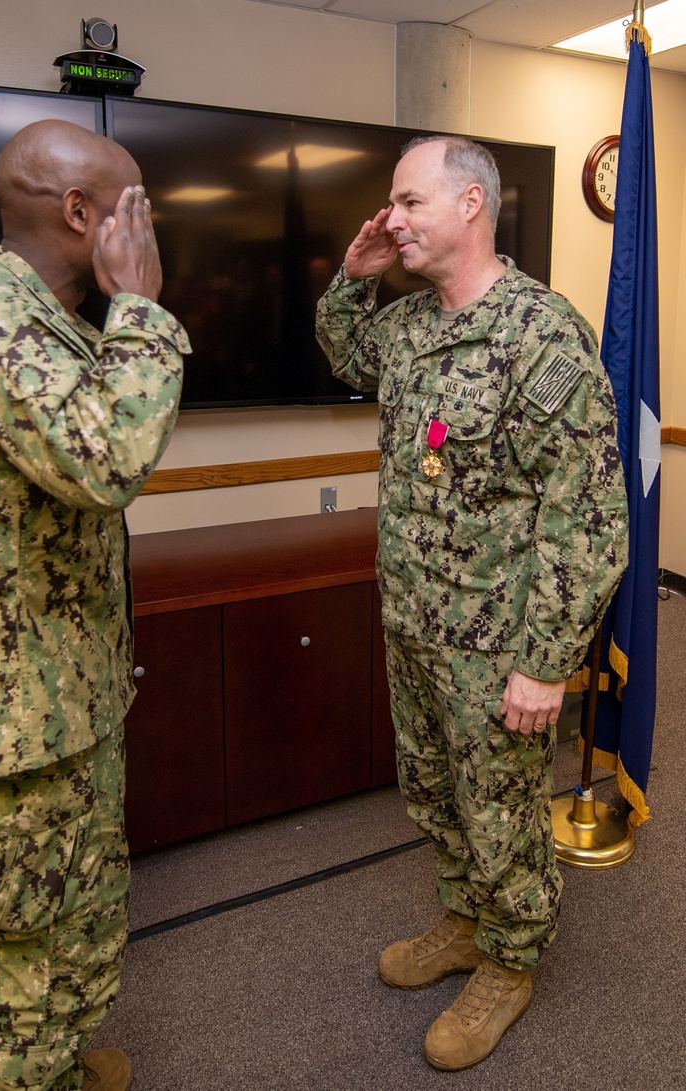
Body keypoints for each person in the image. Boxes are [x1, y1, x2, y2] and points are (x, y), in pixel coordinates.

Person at [315, 135, 628, 1071]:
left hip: (499, 648)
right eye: (391, 205)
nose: (393, 218)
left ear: (469, 206)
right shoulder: (412, 326)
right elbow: (344, 354)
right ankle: (466, 920)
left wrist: (545, 662)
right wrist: (352, 273)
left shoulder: (543, 336)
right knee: (438, 796)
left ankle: (513, 955)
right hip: (415, 623)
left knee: (499, 809)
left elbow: (591, 519)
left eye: (409, 202)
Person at [0, 119, 190, 1091]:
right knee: (34, 954)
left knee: (85, 911)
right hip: (10, 729)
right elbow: (106, 460)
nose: (149, 224)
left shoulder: (43, 320)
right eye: (135, 203)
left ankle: (56, 1068)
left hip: (60, 699)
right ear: (80, 212)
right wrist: (141, 306)